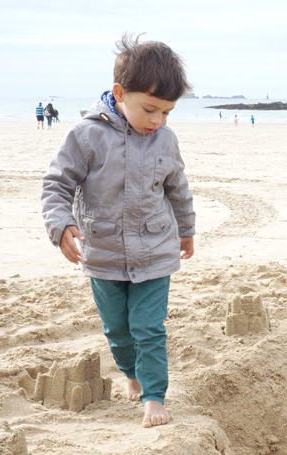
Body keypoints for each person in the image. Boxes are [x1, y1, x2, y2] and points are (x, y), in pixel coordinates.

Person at [41, 34, 195, 428]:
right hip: (103, 253)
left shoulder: (165, 139)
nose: (157, 121)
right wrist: (61, 227)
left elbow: (177, 188)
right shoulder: (86, 136)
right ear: (120, 93)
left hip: (155, 252)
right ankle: (131, 373)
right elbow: (57, 185)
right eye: (150, 109)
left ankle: (154, 396)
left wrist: (186, 230)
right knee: (118, 329)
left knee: (148, 327)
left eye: (167, 112)